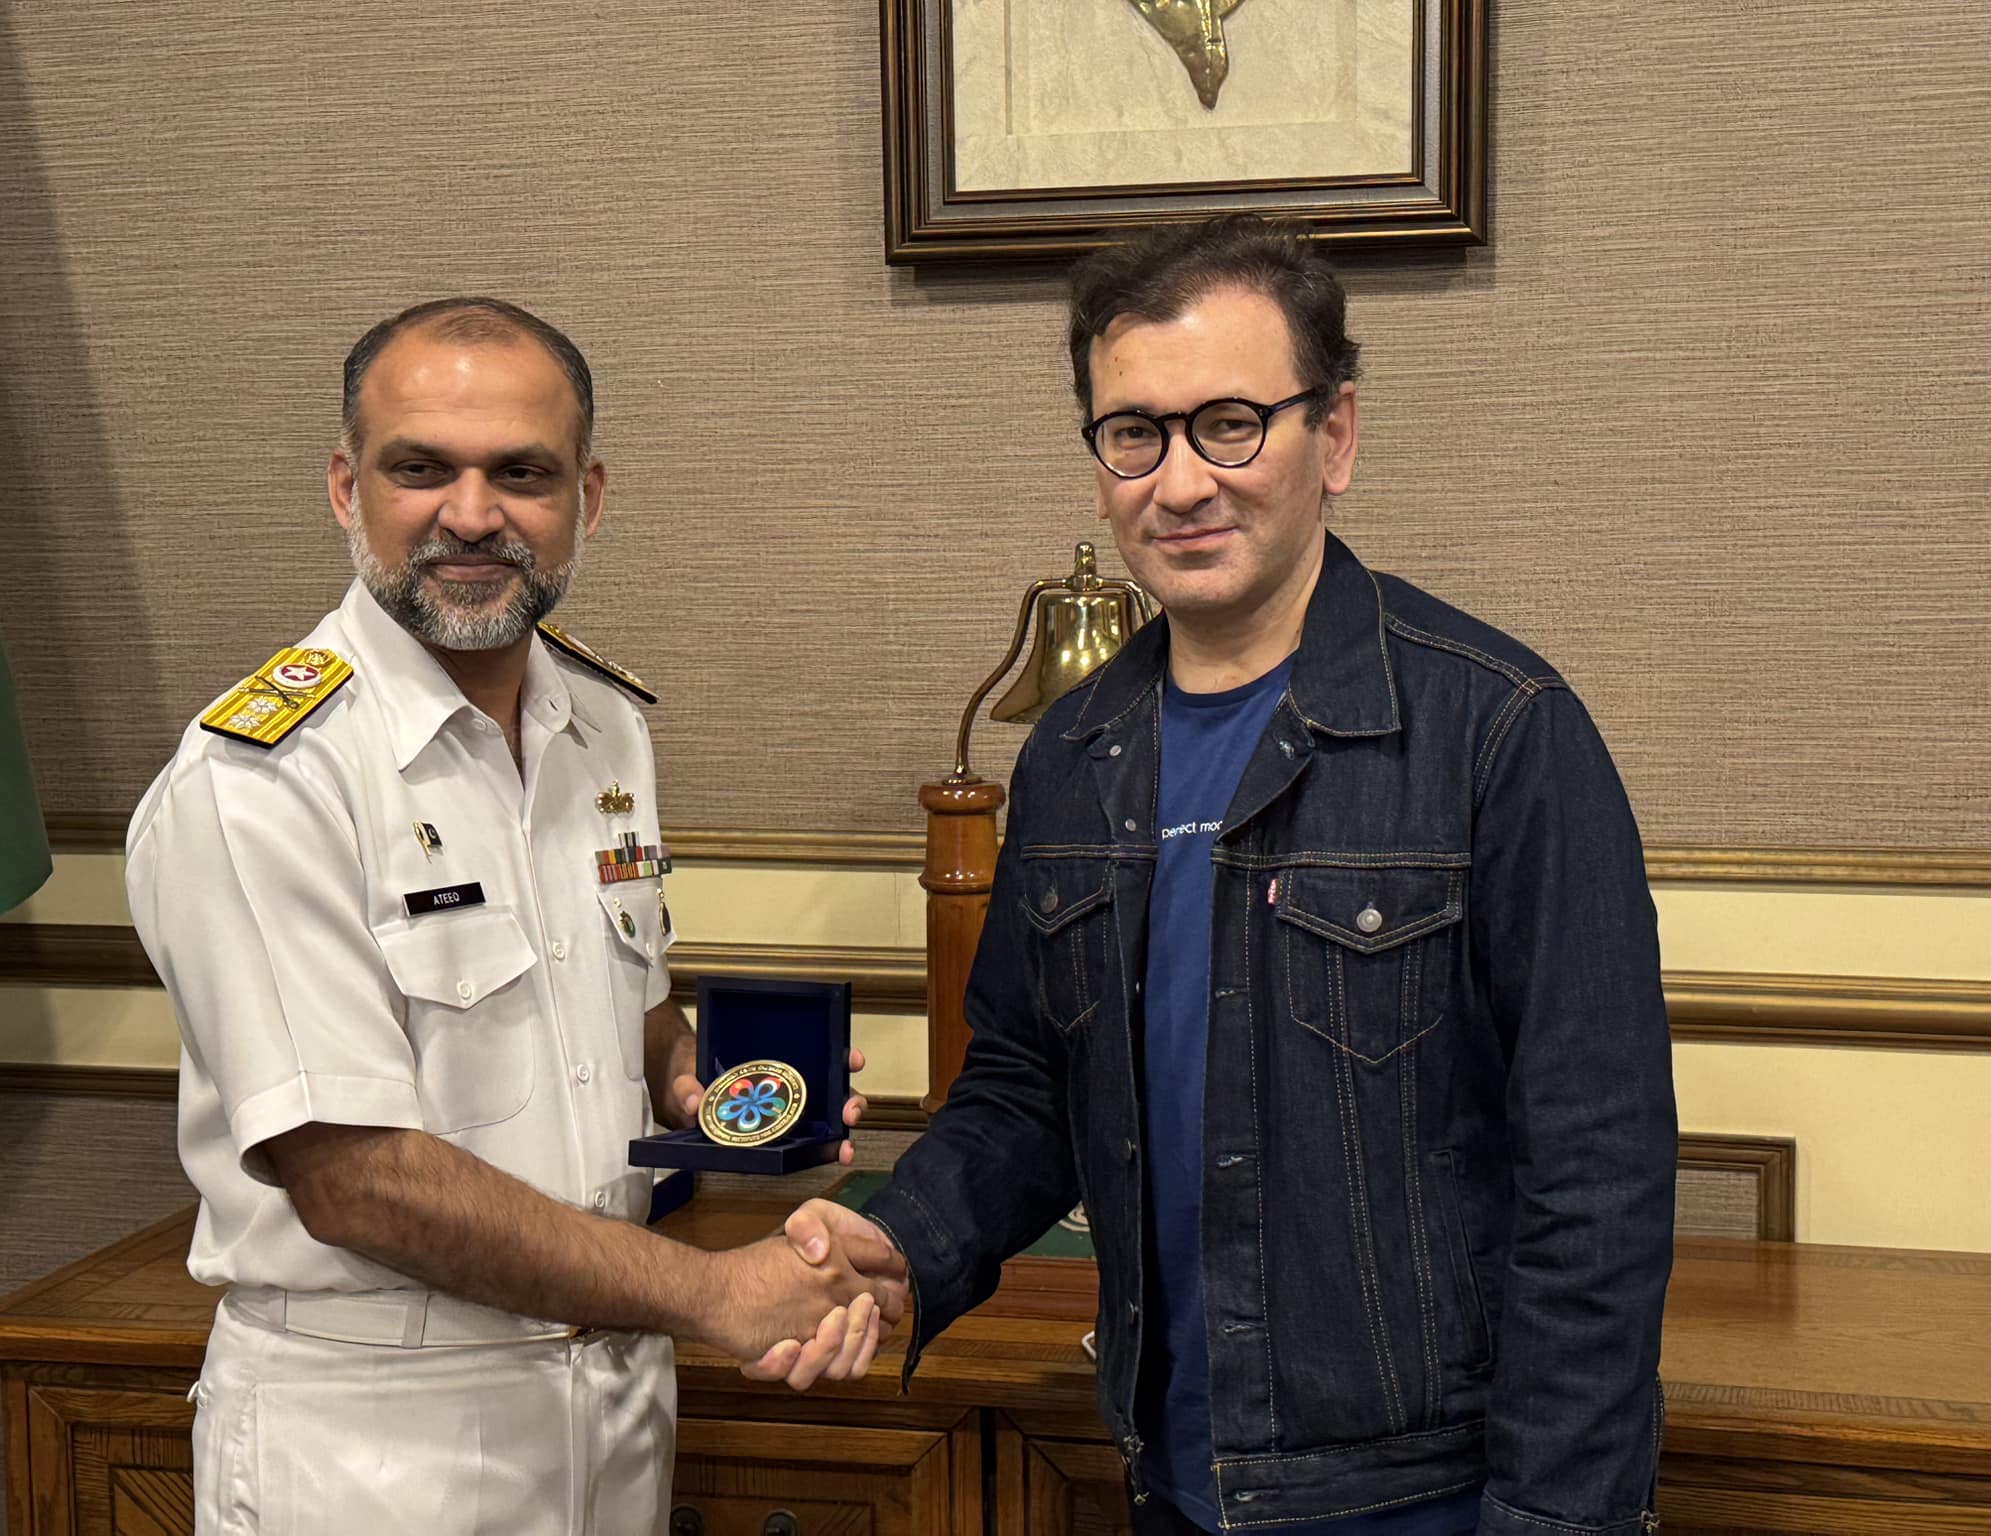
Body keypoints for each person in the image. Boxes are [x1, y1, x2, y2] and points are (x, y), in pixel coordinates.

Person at [812, 216, 1677, 1534]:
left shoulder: (1498, 730)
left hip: (1425, 1497)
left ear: (1334, 437)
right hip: (1172, 1479)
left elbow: (1598, 1171)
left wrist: (1558, 1519)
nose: (1179, 483)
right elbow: (1026, 1090)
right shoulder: (1073, 753)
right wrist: (903, 1243)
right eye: (1134, 433)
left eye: (1230, 425)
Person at [126, 298, 905, 1535]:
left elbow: (620, 1017)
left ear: (586, 498)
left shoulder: (604, 728)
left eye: (521, 473)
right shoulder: (262, 780)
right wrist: (716, 1292)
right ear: (345, 488)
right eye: (420, 468)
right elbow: (358, 1182)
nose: (473, 513)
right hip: (380, 1445)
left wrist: (706, 1089)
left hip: (614, 1413)